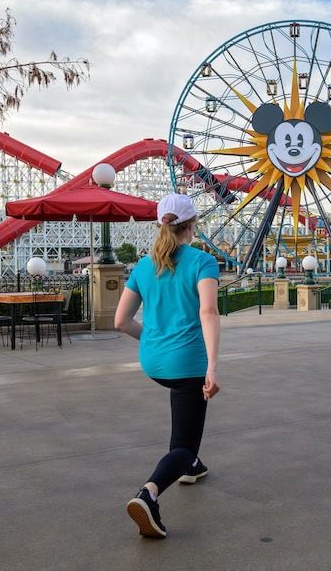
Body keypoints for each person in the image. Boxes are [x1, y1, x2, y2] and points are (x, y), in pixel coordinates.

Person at [115, 193, 220, 539]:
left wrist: (151, 340)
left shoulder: (144, 266)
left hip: (153, 361)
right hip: (187, 362)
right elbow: (208, 312)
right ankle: (149, 493)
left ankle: (192, 466)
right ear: (192, 225)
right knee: (184, 443)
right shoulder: (202, 262)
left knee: (183, 415)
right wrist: (213, 367)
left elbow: (121, 321)